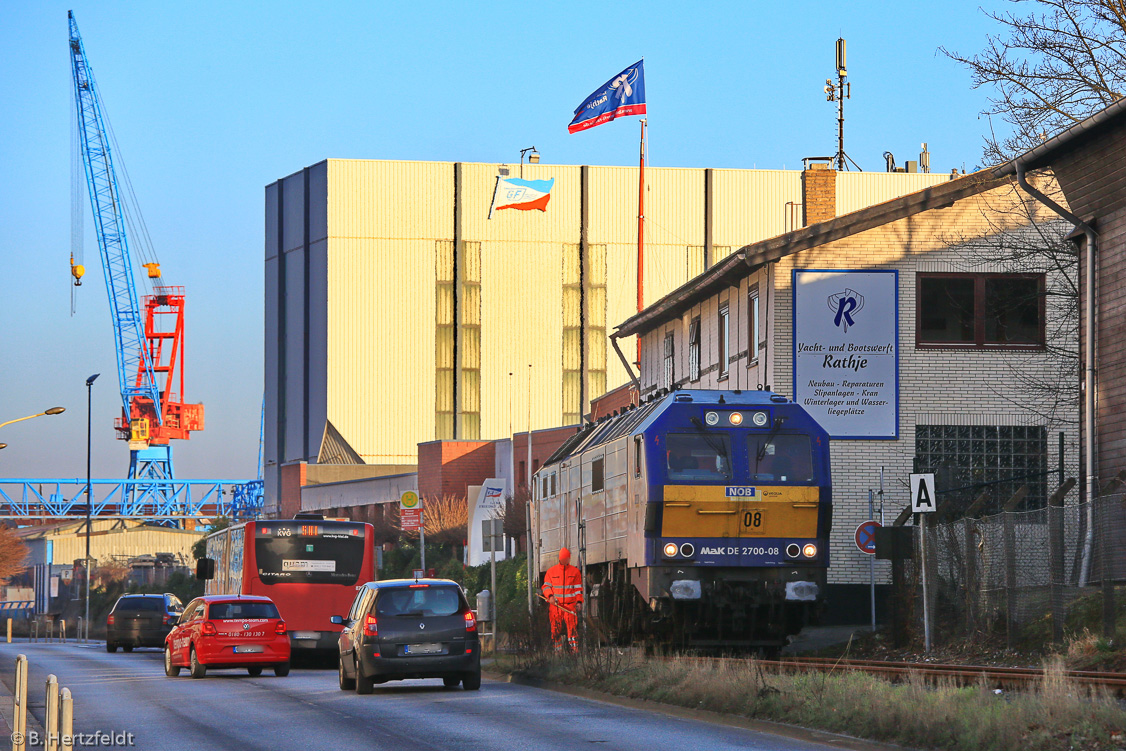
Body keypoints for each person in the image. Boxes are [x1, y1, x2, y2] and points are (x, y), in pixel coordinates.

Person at [541, 547, 583, 651]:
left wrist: (579, 601)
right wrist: (550, 596)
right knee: (555, 630)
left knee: (572, 630)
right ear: (560, 559)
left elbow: (578, 589)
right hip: (556, 606)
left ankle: (574, 652)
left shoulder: (575, 572)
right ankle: (558, 653)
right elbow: (546, 587)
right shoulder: (551, 572)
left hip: (570, 606)